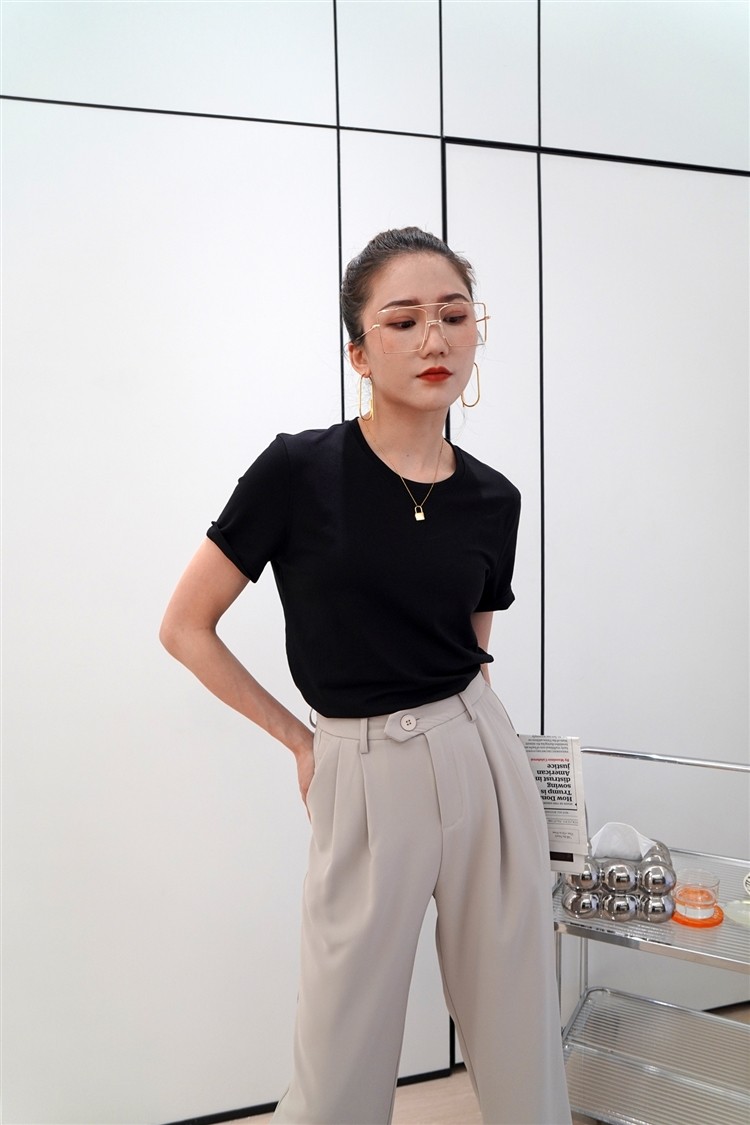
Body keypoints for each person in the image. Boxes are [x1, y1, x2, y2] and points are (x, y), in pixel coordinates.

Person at [160, 227, 572, 1125]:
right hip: (360, 763)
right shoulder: (298, 471)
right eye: (404, 320)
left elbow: (473, 652)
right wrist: (301, 743)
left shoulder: (494, 497)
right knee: (340, 1044)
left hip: (479, 754)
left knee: (518, 1020)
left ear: (475, 332)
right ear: (359, 350)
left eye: (453, 315)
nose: (434, 339)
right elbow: (185, 627)